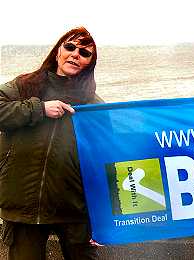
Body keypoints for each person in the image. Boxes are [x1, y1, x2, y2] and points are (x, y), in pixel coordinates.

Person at [0, 27, 100, 260]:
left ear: (89, 64)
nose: (75, 54)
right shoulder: (24, 85)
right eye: (70, 47)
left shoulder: (94, 105)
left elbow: (104, 161)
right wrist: (39, 109)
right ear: (58, 52)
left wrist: (103, 221)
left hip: (74, 209)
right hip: (24, 205)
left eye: (85, 53)